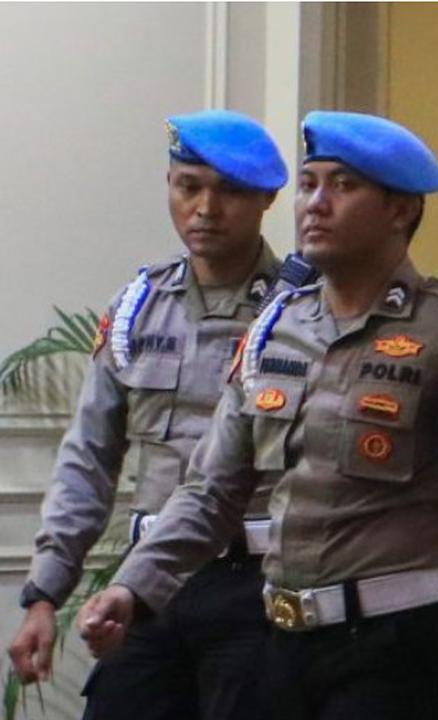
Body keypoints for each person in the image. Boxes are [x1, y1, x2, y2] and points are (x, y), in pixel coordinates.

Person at [74, 110, 438, 720]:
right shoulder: (274, 328)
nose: (316, 204)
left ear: (400, 210)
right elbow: (211, 491)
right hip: (284, 640)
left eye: (343, 185)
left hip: (398, 645)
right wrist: (133, 585)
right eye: (308, 184)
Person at [6, 110, 285, 720]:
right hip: (150, 584)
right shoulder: (138, 307)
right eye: (188, 187)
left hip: (256, 587)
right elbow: (88, 457)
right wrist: (45, 593)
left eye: (229, 191)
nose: (205, 208)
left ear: (267, 198)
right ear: (169, 185)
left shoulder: (298, 315)